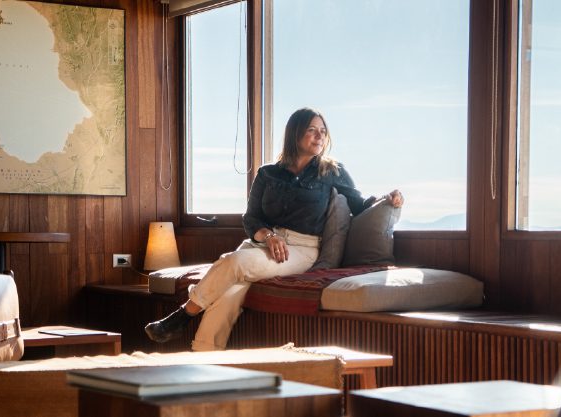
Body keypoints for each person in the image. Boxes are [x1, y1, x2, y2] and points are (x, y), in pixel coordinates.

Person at [144, 107, 404, 351]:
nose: (320, 136)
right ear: (295, 133)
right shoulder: (268, 174)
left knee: (233, 261)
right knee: (231, 292)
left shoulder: (332, 171)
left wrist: (387, 199)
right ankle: (204, 360)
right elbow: (251, 218)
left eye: (323, 131)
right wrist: (268, 236)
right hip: (261, 243)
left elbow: (359, 205)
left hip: (301, 249)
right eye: (312, 130)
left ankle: (182, 316)